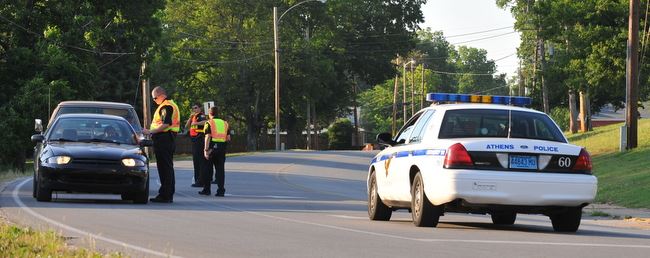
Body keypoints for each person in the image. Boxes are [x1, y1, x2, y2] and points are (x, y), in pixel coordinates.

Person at [143, 86, 180, 203]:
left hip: (164, 139)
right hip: (168, 138)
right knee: (167, 168)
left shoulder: (166, 106)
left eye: (154, 98)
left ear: (161, 95)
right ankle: (168, 194)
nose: (154, 100)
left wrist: (150, 131)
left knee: (164, 168)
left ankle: (165, 195)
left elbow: (166, 124)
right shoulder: (171, 104)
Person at [200, 106, 230, 197]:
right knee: (220, 170)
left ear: (210, 114)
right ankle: (221, 191)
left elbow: (208, 136)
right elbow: (228, 138)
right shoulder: (225, 123)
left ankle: (207, 189)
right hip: (222, 148)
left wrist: (206, 149)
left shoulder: (209, 122)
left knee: (207, 169)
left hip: (211, 148)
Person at [185, 103, 207, 187]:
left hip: (199, 138)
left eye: (196, 108)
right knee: (196, 161)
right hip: (194, 140)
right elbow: (186, 126)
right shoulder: (194, 117)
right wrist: (190, 118)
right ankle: (197, 179)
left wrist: (196, 123)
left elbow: (206, 122)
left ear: (200, 108)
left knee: (199, 160)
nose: (194, 109)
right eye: (193, 108)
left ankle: (201, 181)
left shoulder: (201, 115)